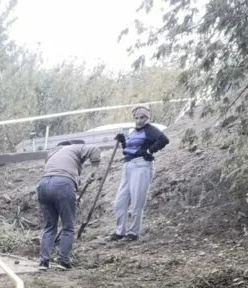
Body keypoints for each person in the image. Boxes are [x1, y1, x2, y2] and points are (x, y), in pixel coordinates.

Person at [36, 140, 101, 270]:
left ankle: (44, 262)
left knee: (49, 226)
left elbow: (58, 176)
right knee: (68, 226)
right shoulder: (76, 147)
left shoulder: (53, 153)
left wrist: (73, 194)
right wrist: (93, 171)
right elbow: (94, 148)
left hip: (43, 185)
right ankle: (63, 261)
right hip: (63, 185)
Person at [111, 105, 169, 242]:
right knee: (120, 202)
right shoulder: (133, 132)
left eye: (142, 117)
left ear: (148, 118)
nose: (139, 120)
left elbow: (164, 140)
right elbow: (129, 150)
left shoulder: (151, 130)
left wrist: (149, 151)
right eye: (137, 117)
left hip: (141, 166)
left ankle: (133, 233)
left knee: (137, 201)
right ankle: (120, 231)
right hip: (128, 165)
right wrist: (123, 141)